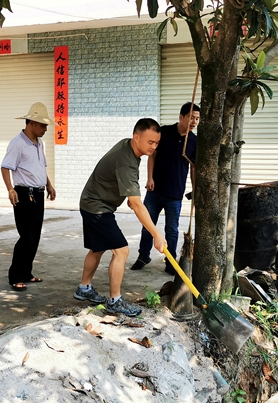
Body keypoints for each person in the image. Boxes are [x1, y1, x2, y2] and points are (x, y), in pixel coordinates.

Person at [73, 118, 167, 317]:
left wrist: (129, 196)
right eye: (150, 142)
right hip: (97, 207)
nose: (154, 147)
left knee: (98, 248)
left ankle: (84, 288)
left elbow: (122, 184)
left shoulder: (128, 146)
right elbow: (137, 204)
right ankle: (115, 301)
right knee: (122, 251)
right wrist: (157, 234)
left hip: (91, 202)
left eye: (157, 143)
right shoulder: (126, 161)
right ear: (136, 137)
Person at [131, 102, 199, 275]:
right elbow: (152, 155)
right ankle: (143, 256)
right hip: (155, 190)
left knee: (172, 230)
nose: (194, 122)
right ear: (181, 117)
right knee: (148, 225)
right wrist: (150, 178)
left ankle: (170, 261)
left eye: (197, 119)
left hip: (175, 193)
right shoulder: (164, 132)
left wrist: (195, 189)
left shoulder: (194, 141)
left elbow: (193, 167)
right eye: (191, 117)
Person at [1, 102, 56, 290]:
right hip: (24, 194)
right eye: (42, 125)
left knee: (35, 236)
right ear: (31, 123)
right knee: (26, 237)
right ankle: (15, 276)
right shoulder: (18, 143)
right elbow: (5, 167)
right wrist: (10, 189)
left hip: (38, 194)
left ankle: (26, 273)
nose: (45, 129)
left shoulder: (39, 143)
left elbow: (41, 167)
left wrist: (48, 185)